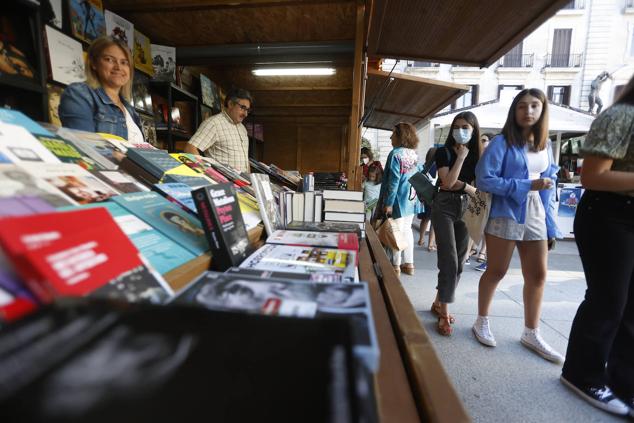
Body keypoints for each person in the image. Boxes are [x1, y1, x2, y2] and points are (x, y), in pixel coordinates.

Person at [560, 75, 634, 417]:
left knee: (629, 305)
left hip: (625, 215)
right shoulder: (621, 115)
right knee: (608, 300)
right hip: (608, 214)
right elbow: (591, 176)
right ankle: (581, 374)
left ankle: (622, 382)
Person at [472, 88, 563, 363]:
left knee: (537, 275)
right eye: (522, 106)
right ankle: (481, 321)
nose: (528, 111)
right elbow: (484, 179)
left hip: (536, 211)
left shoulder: (545, 146)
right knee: (497, 270)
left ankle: (531, 331)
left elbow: (548, 186)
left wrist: (550, 224)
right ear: (514, 111)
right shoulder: (501, 142)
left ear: (543, 110)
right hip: (505, 211)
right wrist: (526, 185)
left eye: (535, 106)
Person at [430, 111, 481, 336]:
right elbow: (448, 182)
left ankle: (439, 301)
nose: (460, 131)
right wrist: (460, 159)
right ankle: (444, 313)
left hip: (468, 208)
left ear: (473, 130)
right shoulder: (443, 152)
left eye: (466, 127)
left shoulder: (479, 155)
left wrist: (469, 189)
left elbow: (482, 185)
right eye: (457, 127)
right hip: (444, 206)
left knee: (460, 262)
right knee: (449, 260)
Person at [59, 36, 144, 145]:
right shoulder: (79, 94)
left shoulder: (130, 110)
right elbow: (82, 145)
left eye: (124, 62)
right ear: (94, 63)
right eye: (109, 59)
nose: (118, 67)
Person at [374, 122, 421, 277]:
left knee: (395, 231)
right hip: (411, 197)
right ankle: (409, 264)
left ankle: (395, 266)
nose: (390, 136)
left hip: (397, 199)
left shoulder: (395, 154)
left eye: (393, 133)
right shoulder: (414, 154)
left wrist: (388, 203)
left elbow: (393, 181)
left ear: (401, 136)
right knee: (406, 230)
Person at [184, 88, 253, 173]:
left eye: (247, 110)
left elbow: (245, 159)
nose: (245, 114)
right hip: (222, 184)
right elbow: (190, 148)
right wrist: (205, 174)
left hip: (243, 183)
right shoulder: (214, 123)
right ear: (230, 104)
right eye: (243, 108)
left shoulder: (243, 129)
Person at [474, 132, 496, 272]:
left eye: (484, 140)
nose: (482, 142)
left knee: (489, 229)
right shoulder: (479, 158)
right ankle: (479, 253)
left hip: (490, 197)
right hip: (479, 195)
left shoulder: (492, 158)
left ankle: (486, 258)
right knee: (481, 227)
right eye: (481, 140)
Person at [417, 147, 437, 248]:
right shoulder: (437, 167)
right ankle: (430, 244)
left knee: (425, 219)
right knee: (434, 220)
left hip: (425, 195)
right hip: (435, 195)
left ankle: (421, 239)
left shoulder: (423, 166)